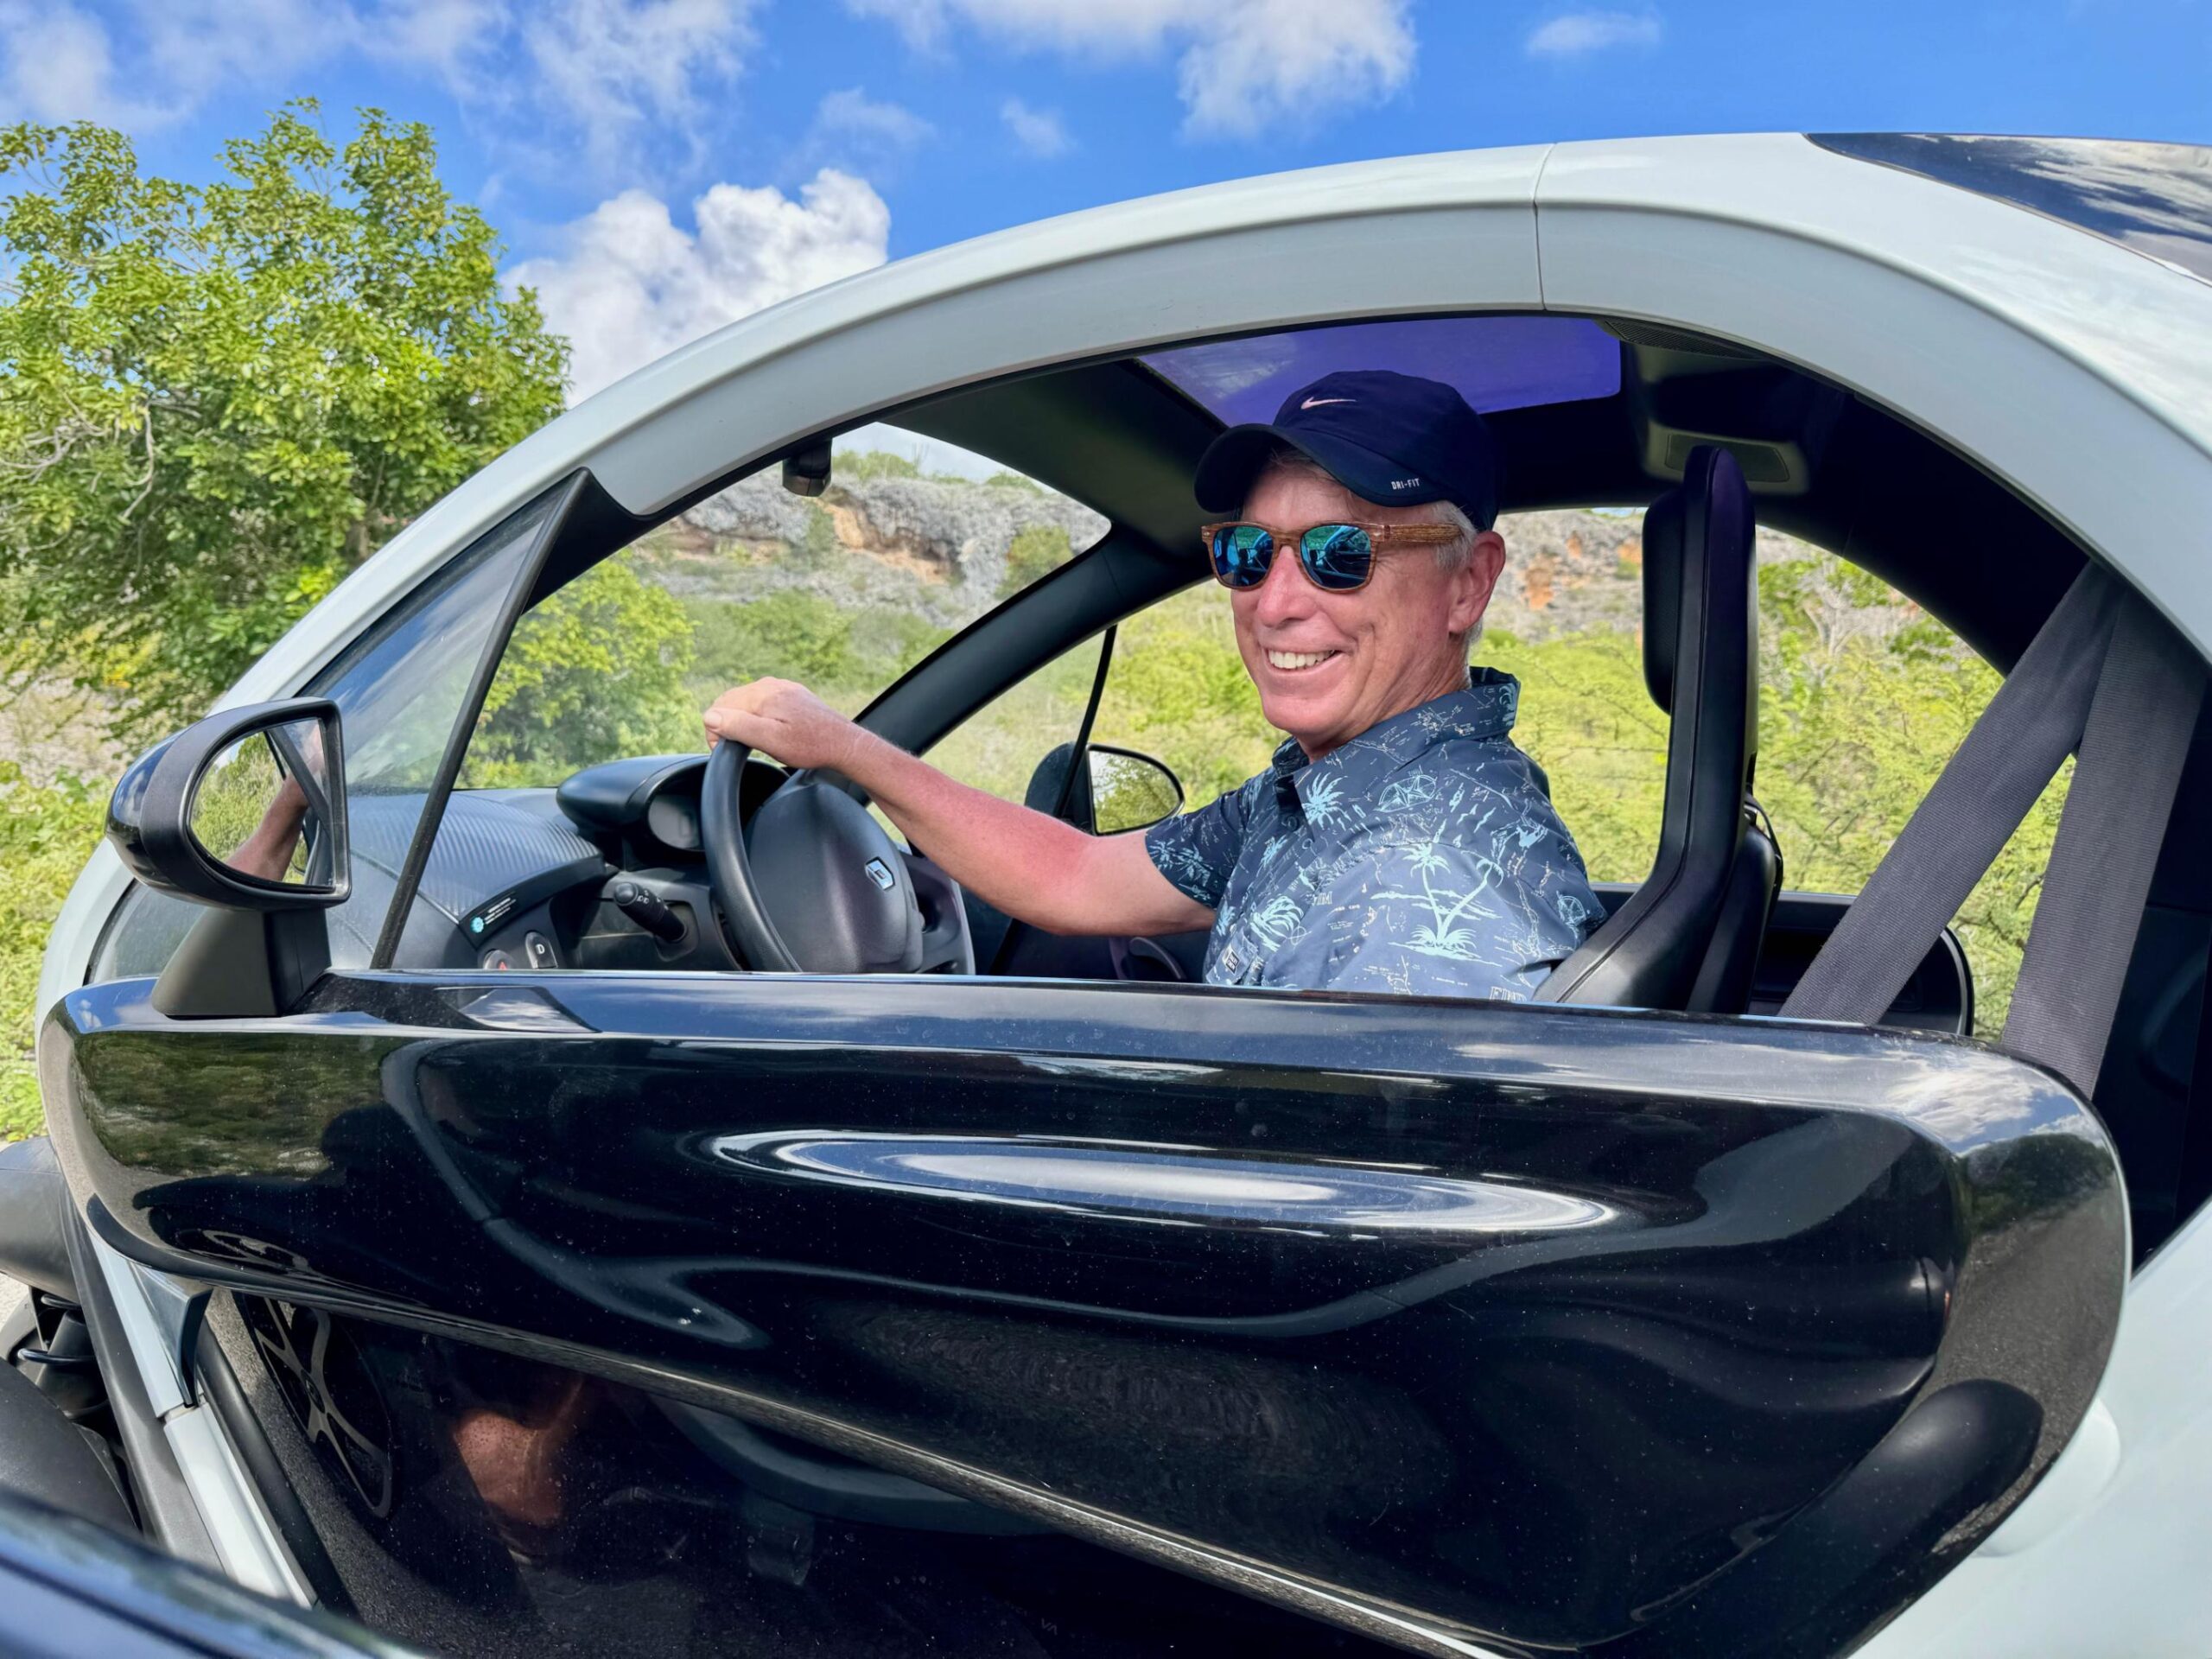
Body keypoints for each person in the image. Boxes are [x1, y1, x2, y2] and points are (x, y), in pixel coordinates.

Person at [702, 370, 1600, 1001]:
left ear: (1469, 583)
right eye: (1248, 553)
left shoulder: (1423, 879)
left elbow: (1353, 1220)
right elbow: (1081, 876)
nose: (1275, 604)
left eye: (1342, 554)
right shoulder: (1334, 788)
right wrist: (842, 747)